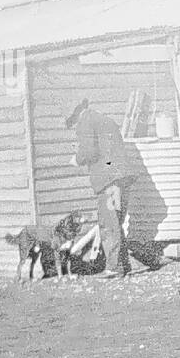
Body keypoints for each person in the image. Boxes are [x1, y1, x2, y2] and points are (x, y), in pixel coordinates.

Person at [65, 99, 135, 278]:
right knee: (116, 222)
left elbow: (89, 152)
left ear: (75, 114)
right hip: (120, 177)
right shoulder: (102, 119)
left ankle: (114, 268)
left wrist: (77, 159)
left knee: (109, 224)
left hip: (108, 180)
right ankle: (122, 265)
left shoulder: (85, 121)